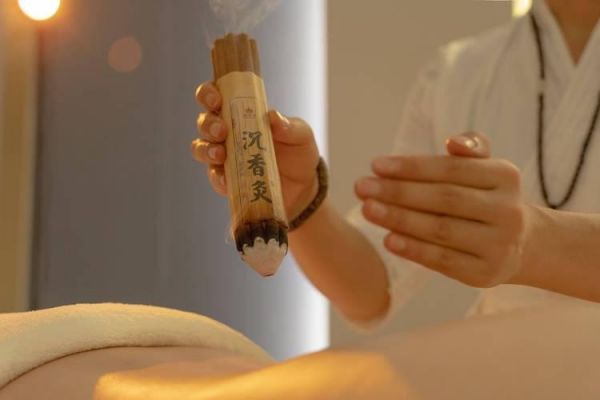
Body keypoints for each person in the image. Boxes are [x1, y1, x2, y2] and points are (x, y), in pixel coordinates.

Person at [191, 0, 600, 328]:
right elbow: (372, 288)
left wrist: (534, 240)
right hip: (504, 374)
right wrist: (298, 198)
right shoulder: (460, 72)